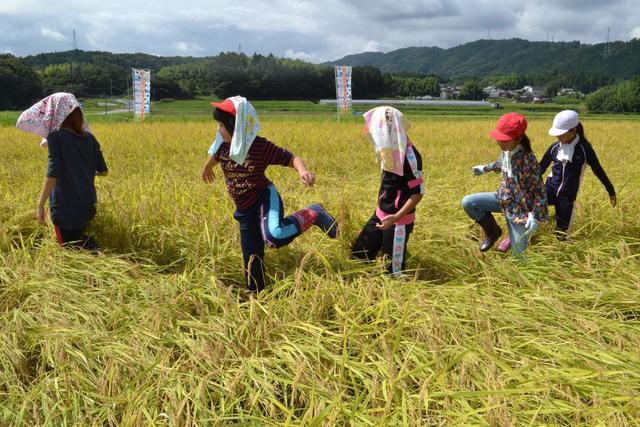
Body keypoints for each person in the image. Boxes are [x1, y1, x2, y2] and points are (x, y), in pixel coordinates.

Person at [200, 96, 337, 293]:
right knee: (252, 258)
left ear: (236, 126)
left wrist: (303, 171)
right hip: (244, 209)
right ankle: (256, 295)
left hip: (264, 198)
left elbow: (291, 158)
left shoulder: (258, 146)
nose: (218, 130)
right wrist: (206, 168)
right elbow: (214, 157)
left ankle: (313, 213)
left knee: (275, 236)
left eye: (222, 125)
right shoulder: (222, 145)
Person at [496, 110, 617, 250]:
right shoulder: (554, 148)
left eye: (562, 133)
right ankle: (513, 238)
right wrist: (527, 188)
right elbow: (540, 168)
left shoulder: (585, 150)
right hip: (548, 189)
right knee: (525, 208)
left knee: (562, 235)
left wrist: (611, 191)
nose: (558, 136)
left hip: (567, 197)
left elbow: (598, 170)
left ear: (573, 130)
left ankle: (558, 258)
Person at [23, 93, 109, 249]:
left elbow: (53, 173)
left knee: (69, 251)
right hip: (88, 204)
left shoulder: (56, 138)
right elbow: (103, 172)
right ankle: (97, 253)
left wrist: (40, 205)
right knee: (78, 242)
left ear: (55, 112)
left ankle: (99, 256)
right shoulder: (91, 139)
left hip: (65, 208)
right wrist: (84, 171)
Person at [351, 106, 425, 276]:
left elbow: (418, 192)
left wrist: (396, 217)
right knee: (359, 255)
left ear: (388, 131)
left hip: (398, 221)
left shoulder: (410, 157)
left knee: (393, 272)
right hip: (380, 214)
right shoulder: (388, 151)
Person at [461, 112, 548, 256]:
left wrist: (534, 215)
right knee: (469, 202)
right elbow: (501, 163)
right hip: (502, 198)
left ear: (518, 139)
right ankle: (493, 232)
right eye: (499, 139)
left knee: (519, 255)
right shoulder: (507, 151)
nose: (500, 143)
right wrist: (485, 168)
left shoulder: (528, 160)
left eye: (505, 140)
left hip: (519, 210)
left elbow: (539, 190)